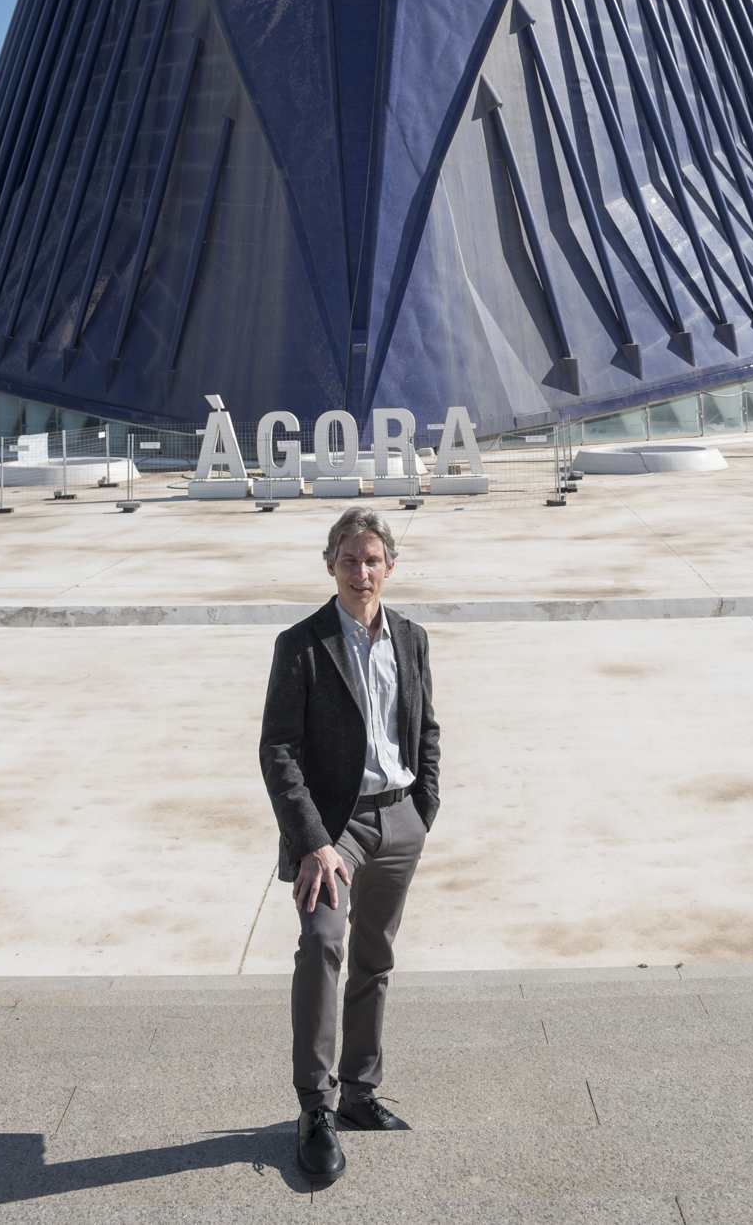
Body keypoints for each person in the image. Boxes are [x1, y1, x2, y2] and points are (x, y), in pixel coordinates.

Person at [258, 506, 441, 1185]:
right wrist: (312, 841)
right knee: (323, 941)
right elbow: (277, 749)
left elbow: (425, 728)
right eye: (348, 558)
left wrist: (424, 806)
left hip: (401, 819)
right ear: (330, 564)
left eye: (372, 560)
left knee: (375, 955)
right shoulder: (302, 644)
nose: (361, 571)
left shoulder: (413, 639)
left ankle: (360, 1094)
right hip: (335, 830)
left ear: (389, 566)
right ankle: (316, 1108)